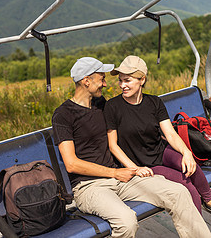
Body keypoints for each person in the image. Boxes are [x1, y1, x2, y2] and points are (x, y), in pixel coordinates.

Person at [52, 56, 211, 238]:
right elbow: (71, 164)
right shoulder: (63, 115)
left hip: (121, 178)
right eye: (101, 78)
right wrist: (116, 172)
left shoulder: (101, 105)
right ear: (86, 81)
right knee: (126, 220)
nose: (105, 84)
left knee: (179, 192)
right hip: (89, 186)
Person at [104, 55, 211, 215]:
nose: (122, 85)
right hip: (144, 164)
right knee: (187, 186)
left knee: (190, 165)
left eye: (127, 80)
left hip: (161, 152)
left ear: (142, 79)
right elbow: (113, 145)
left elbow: (170, 134)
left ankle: (209, 201)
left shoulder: (154, 102)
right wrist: (134, 168)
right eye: (120, 80)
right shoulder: (112, 107)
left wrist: (187, 153)